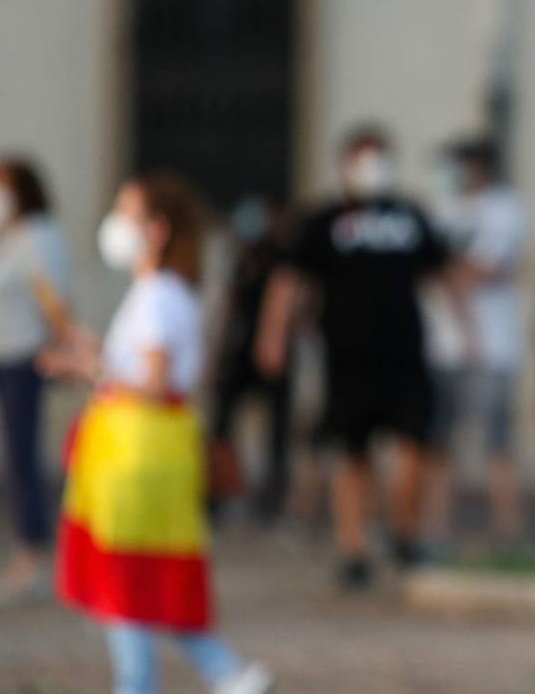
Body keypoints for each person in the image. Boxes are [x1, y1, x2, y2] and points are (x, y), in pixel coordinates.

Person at [48, 170, 273, 694]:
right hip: (141, 451)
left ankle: (155, 683)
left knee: (127, 581)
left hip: (140, 456)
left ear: (157, 229)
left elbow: (150, 383)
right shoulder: (158, 292)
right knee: (143, 580)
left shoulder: (160, 296)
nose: (115, 225)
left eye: (126, 213)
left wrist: (92, 370)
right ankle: (227, 672)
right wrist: (94, 357)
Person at [256, 125, 447, 589]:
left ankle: (405, 533)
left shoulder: (409, 215)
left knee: (414, 448)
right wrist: (273, 337)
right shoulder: (323, 220)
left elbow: (441, 271)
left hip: (405, 355)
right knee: (351, 455)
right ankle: (353, 547)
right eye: (363, 158)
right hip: (347, 357)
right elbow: (289, 281)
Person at [426, 137, 529, 545]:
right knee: (438, 443)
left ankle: (507, 529)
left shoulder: (505, 209)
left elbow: (491, 269)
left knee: (498, 444)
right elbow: (434, 270)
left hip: (494, 350)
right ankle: (435, 529)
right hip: (443, 346)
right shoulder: (440, 209)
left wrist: (451, 271)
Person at [0, 157, 71, 603]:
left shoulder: (39, 237)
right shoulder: (9, 240)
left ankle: (33, 552)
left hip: (23, 360)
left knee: (23, 457)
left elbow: (53, 300)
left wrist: (62, 348)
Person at [207, 195, 294, 521]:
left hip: (273, 355)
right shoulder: (241, 259)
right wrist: (216, 352)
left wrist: (272, 343)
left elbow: (287, 301)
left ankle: (273, 499)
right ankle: (215, 493)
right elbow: (228, 308)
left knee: (277, 432)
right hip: (238, 353)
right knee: (222, 425)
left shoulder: (282, 258)